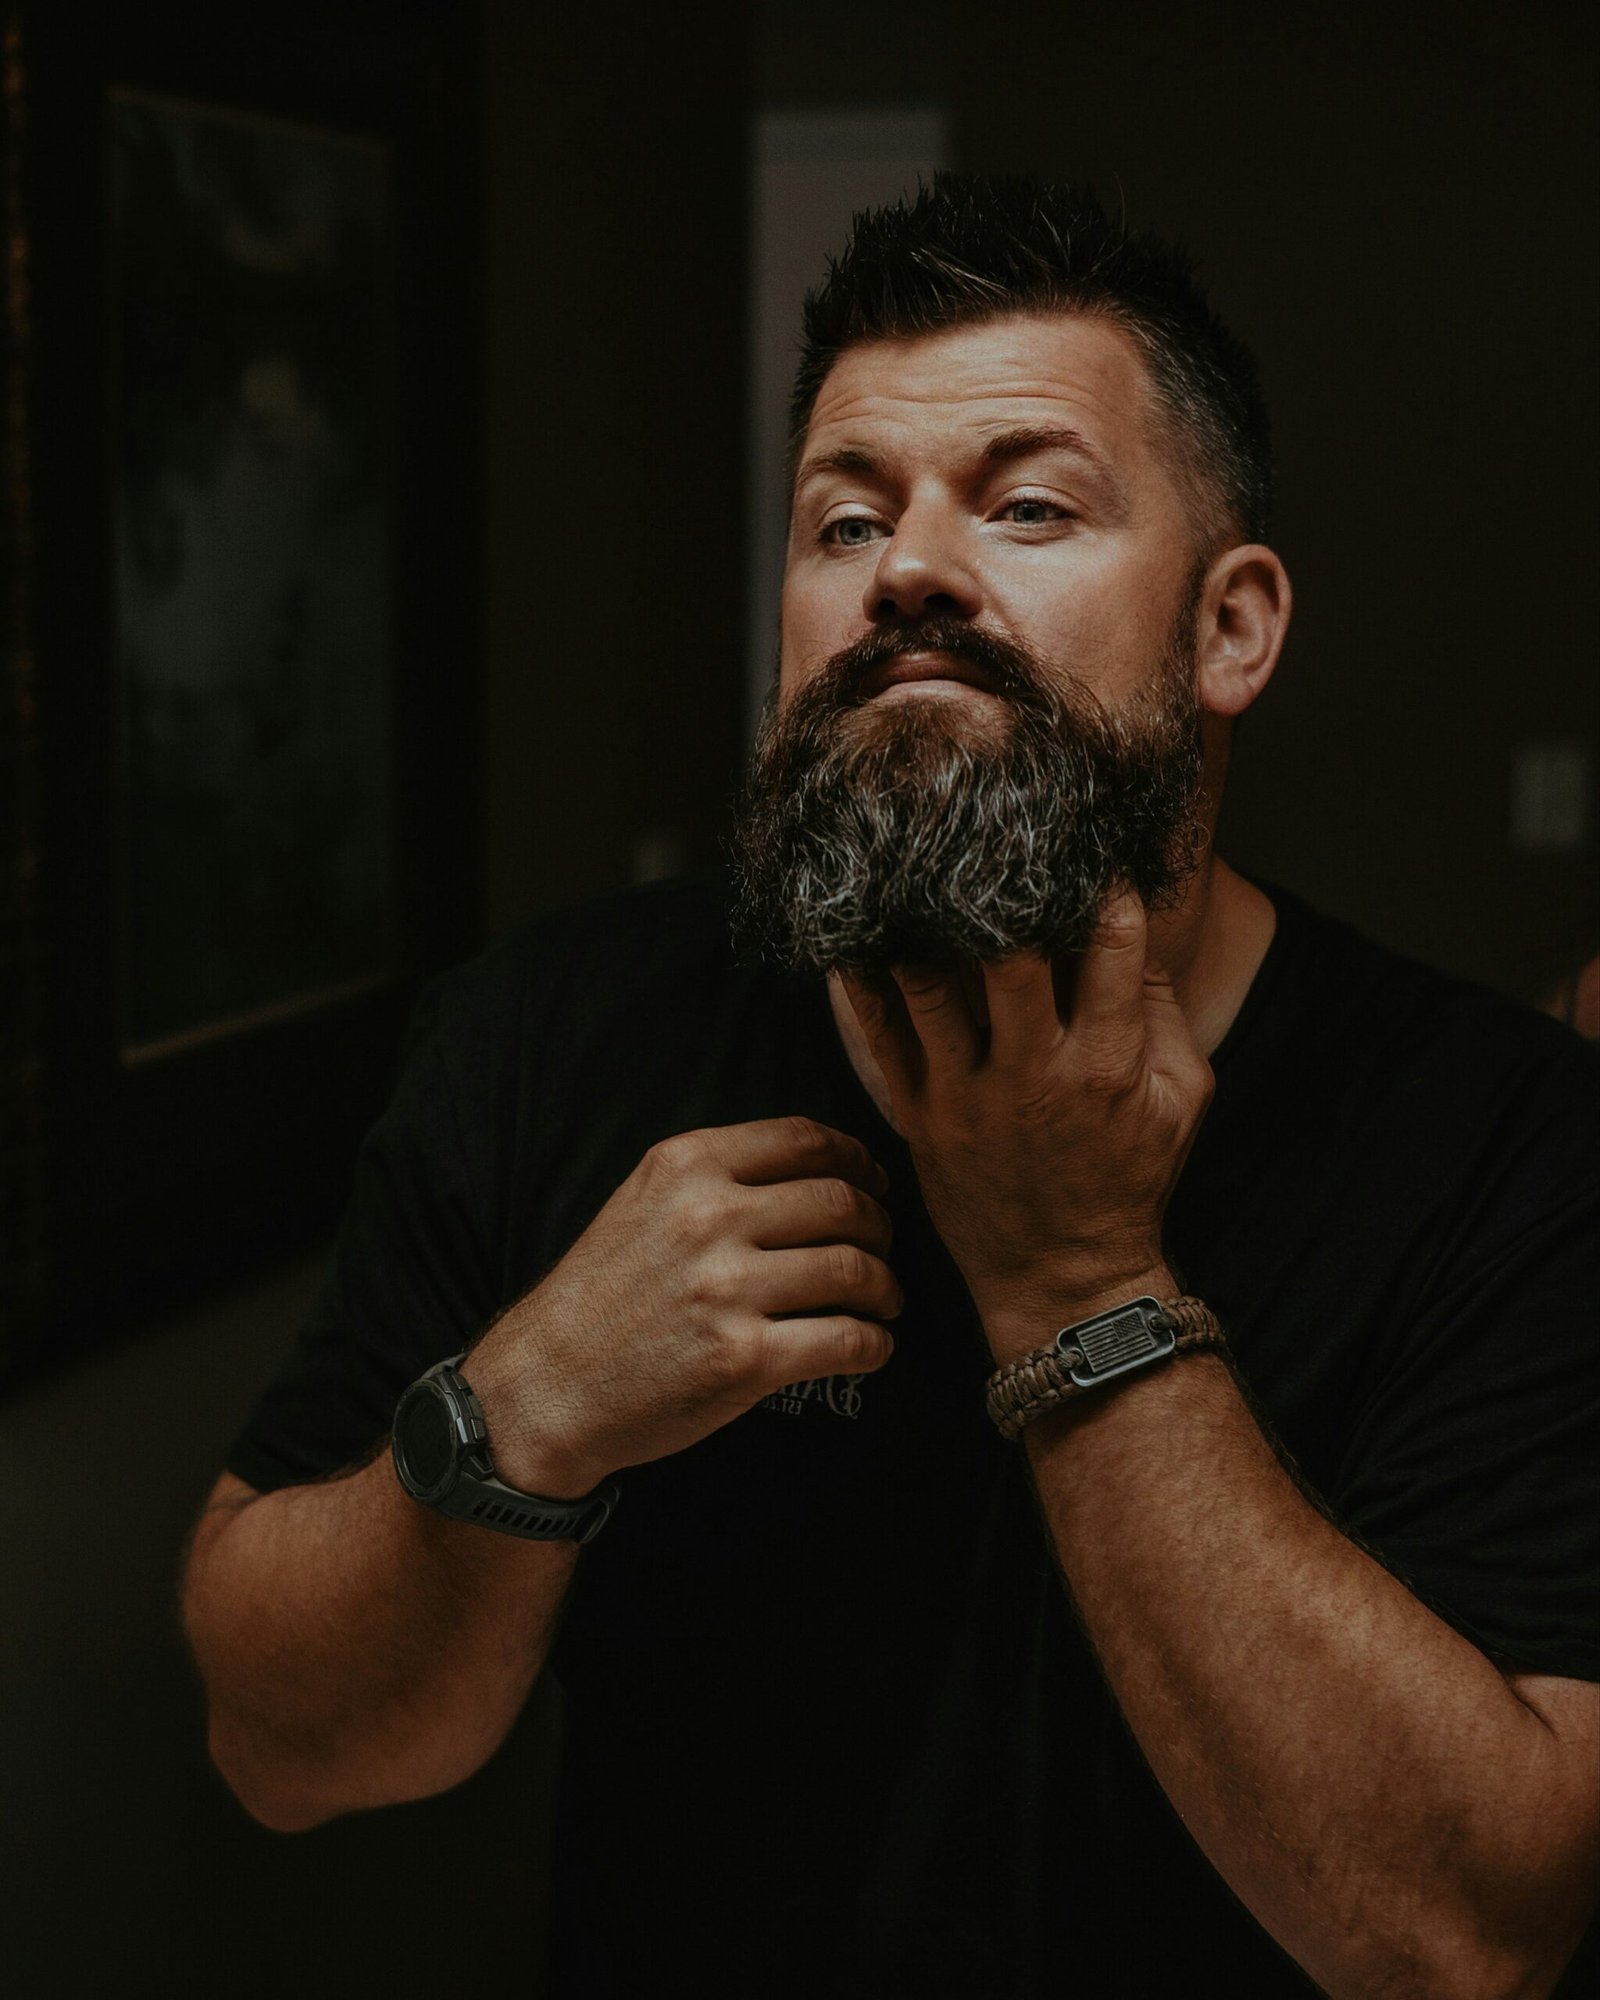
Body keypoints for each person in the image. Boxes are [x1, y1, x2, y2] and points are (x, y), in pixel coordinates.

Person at [181, 174, 1599, 1997]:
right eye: (844, 522)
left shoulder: (1503, 1140)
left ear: (1232, 629)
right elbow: (277, 1748)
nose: (909, 567)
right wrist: (516, 1416)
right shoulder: (552, 1038)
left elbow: (1467, 1940)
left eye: (1026, 504)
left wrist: (1081, 1285)